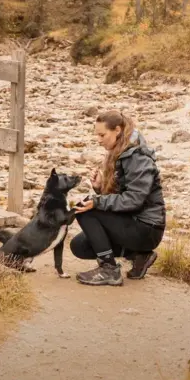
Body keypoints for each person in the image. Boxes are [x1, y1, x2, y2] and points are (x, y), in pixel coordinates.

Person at [70, 109, 166, 286]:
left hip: (148, 229)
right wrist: (99, 189)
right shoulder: (120, 153)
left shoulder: (138, 157)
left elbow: (134, 200)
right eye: (96, 135)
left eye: (102, 135)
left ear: (117, 130)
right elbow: (120, 200)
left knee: (85, 210)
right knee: (79, 246)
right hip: (133, 222)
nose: (98, 140)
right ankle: (138, 255)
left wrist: (97, 201)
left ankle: (109, 270)